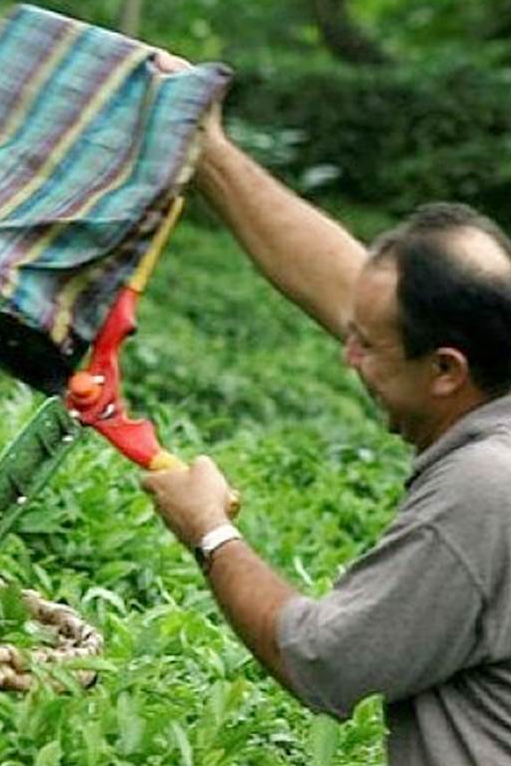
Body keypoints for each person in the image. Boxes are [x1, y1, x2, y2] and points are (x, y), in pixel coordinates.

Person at [141, 52, 511, 764]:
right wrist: (207, 152)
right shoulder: (488, 367)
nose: (347, 357)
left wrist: (208, 531)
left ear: (445, 370)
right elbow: (350, 289)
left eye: (366, 347)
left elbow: (324, 661)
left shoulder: (483, 492)